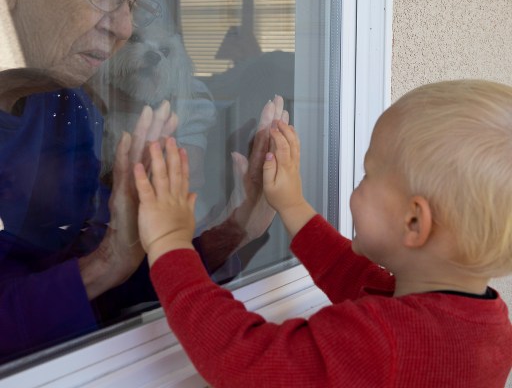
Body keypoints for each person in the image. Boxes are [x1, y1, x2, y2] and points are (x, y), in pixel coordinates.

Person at [0, 0, 282, 362]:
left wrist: (233, 231)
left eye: (133, 2)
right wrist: (104, 265)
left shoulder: (72, 110)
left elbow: (110, 293)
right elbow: (95, 276)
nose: (126, 27)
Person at [134, 79, 512, 388]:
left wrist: (170, 244)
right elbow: (358, 280)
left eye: (368, 174)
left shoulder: (384, 342)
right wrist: (293, 205)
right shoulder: (486, 324)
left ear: (414, 222)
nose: (357, 184)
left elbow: (245, 360)